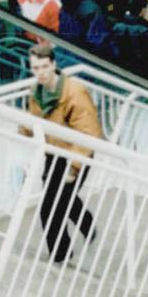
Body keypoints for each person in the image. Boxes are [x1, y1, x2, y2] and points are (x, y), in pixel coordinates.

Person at [23, 44, 101, 262]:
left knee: (53, 206)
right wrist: (24, 129)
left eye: (44, 67)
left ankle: (61, 254)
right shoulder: (36, 92)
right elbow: (32, 122)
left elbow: (88, 132)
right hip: (53, 153)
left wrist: (74, 168)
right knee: (58, 200)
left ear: (54, 65)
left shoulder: (74, 93)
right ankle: (85, 225)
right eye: (35, 68)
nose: (40, 73)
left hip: (74, 155)